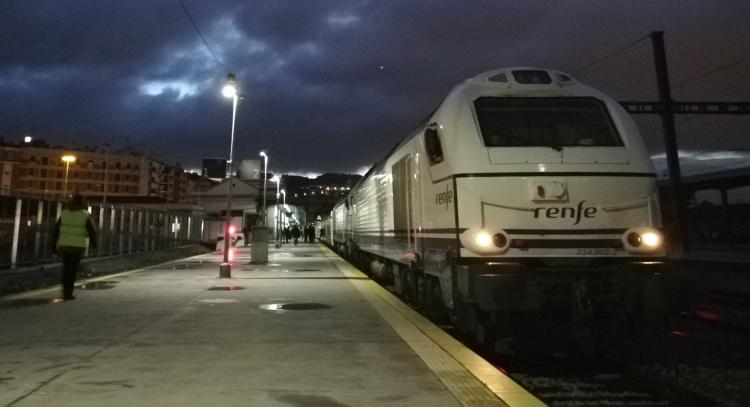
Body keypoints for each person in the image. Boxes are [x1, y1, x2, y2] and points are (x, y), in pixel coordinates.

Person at [52, 193, 97, 301]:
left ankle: (65, 289)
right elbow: (92, 230)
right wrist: (94, 243)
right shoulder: (85, 215)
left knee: (66, 266)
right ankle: (68, 292)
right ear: (82, 202)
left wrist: (53, 246)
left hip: (64, 245)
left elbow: (56, 230)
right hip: (78, 245)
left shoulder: (64, 214)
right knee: (73, 268)